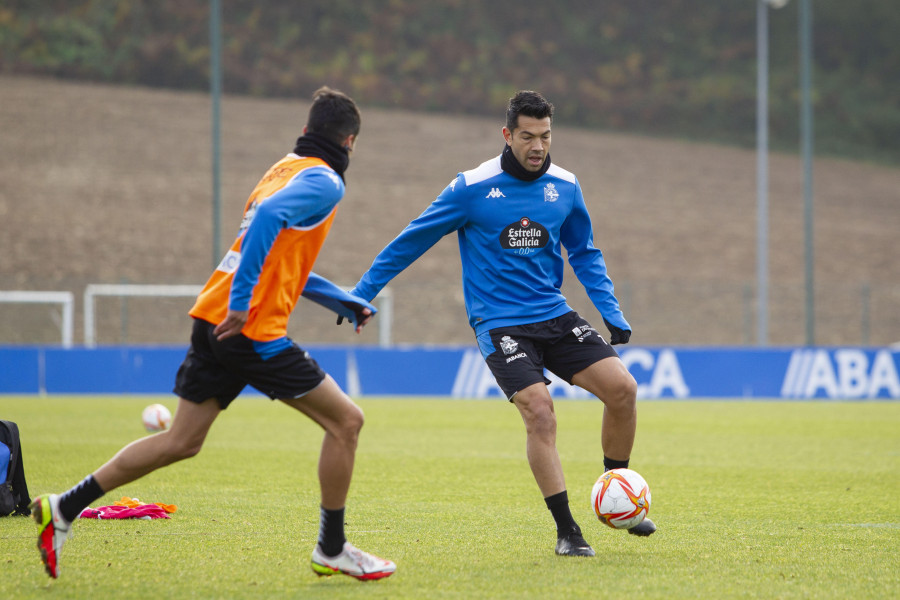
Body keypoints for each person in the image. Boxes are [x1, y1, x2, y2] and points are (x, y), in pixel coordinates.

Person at [30, 86, 396, 581]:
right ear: (349, 141)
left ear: (307, 131)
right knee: (346, 423)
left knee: (181, 441)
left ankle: (64, 506)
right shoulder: (327, 181)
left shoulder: (281, 170)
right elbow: (266, 225)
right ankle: (332, 549)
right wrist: (244, 308)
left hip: (212, 318)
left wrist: (340, 299)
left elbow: (269, 255)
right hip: (249, 330)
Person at [348, 90, 655, 557]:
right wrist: (362, 294)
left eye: (546, 136)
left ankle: (618, 497)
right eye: (528, 136)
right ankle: (568, 532)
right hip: (500, 324)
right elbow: (412, 239)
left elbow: (585, 251)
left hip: (554, 314)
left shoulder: (566, 186)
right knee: (540, 411)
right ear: (507, 135)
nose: (538, 146)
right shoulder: (471, 187)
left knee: (623, 391)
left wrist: (609, 309)